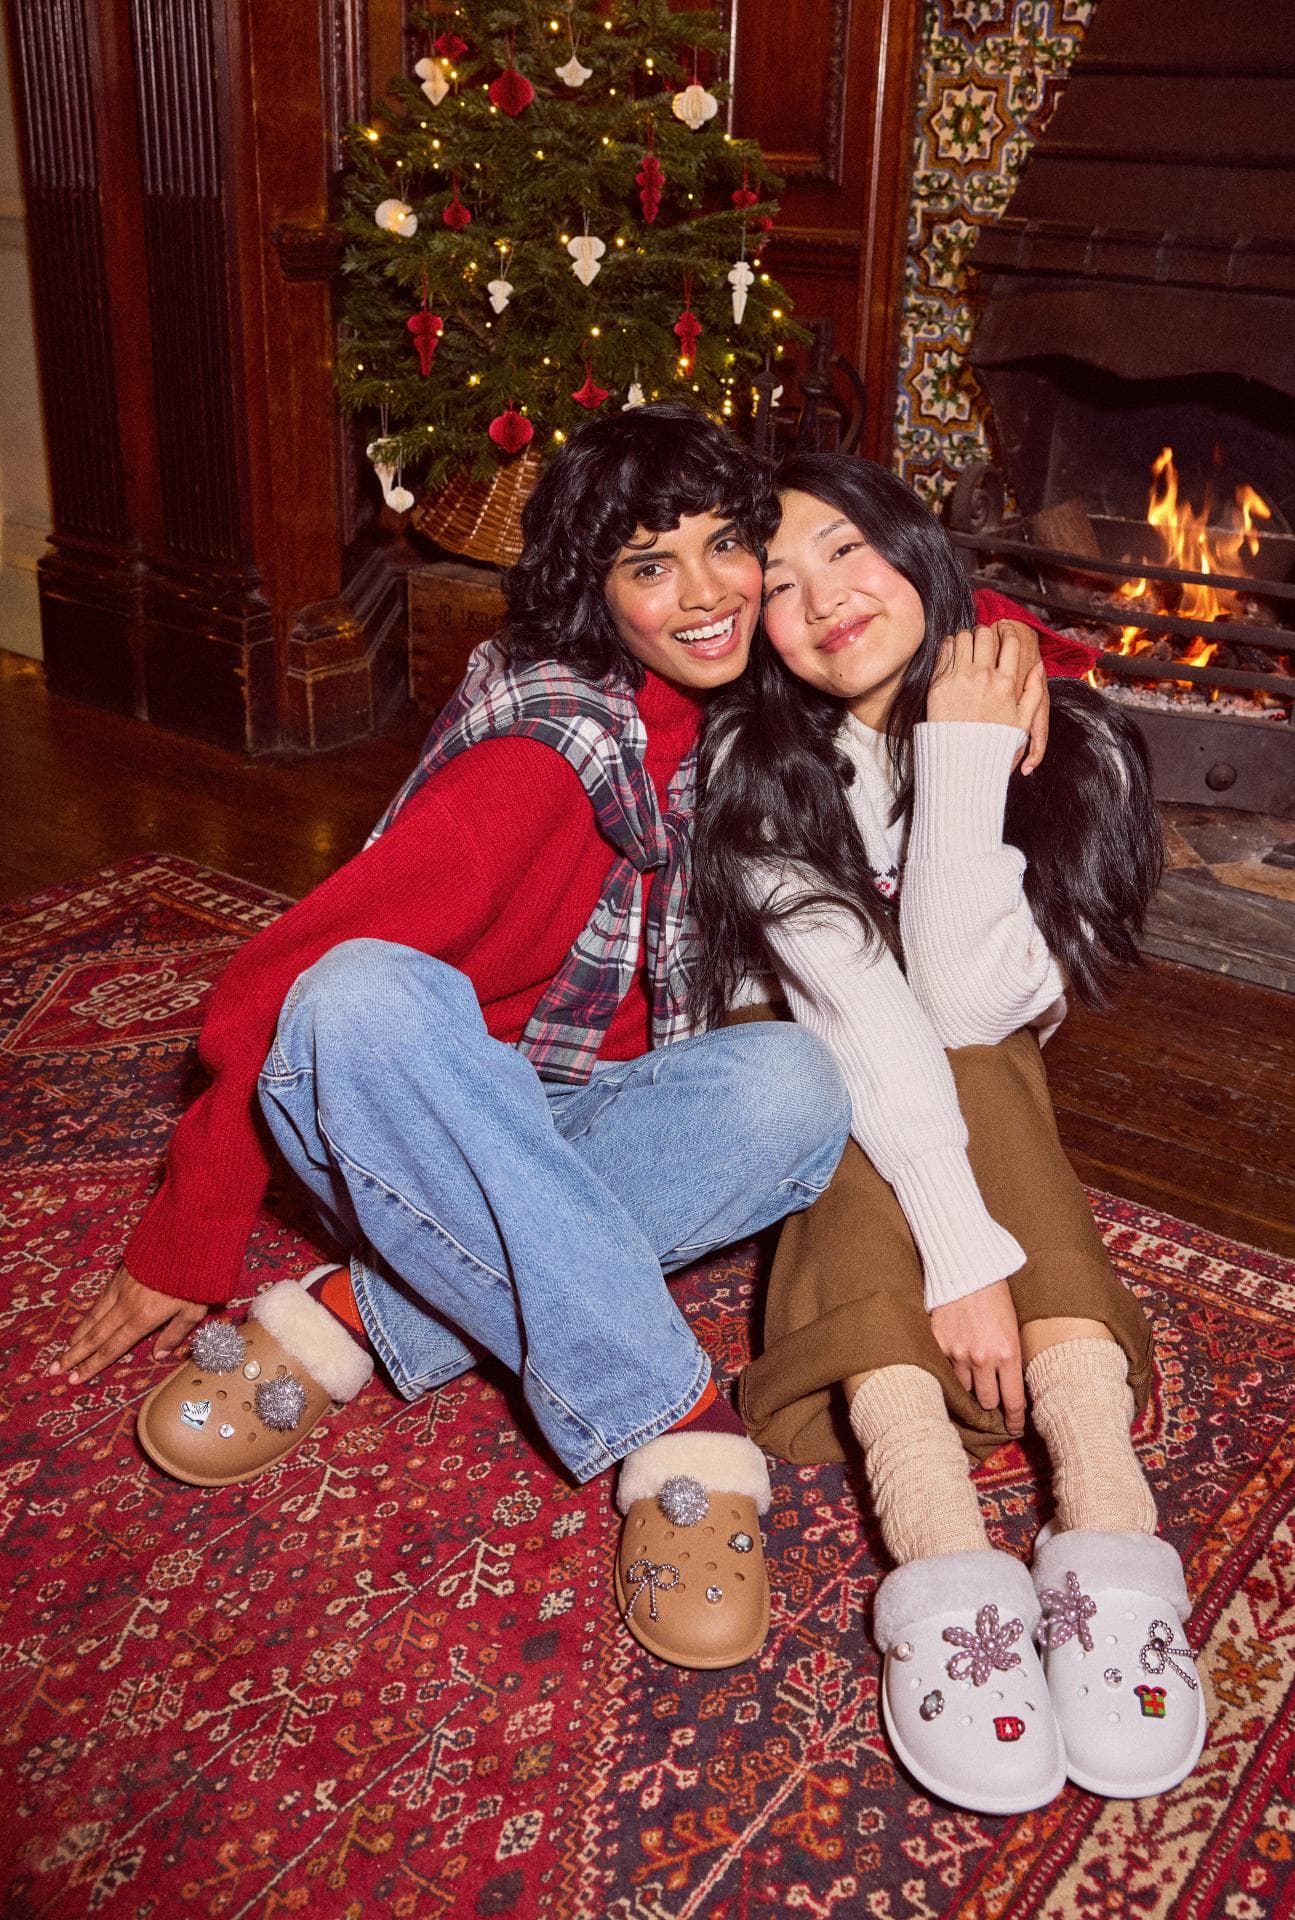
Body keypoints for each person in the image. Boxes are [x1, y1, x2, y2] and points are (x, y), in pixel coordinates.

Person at [47, 405, 861, 1671]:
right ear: (596, 592)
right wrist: (189, 1225)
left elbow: (904, 607)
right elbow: (277, 990)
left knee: (797, 1086)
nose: (707, 594)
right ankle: (676, 1419)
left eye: (724, 546)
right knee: (362, 990)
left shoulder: (746, 698)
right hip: (402, 1118)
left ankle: (352, 1315)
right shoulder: (540, 760)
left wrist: (1014, 664)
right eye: (652, 566)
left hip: (561, 1120)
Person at [692, 452, 1203, 1805]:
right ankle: (941, 1557)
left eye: (845, 549)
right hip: (789, 1069)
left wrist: (963, 753)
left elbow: (971, 1001)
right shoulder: (752, 762)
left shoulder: (1061, 743)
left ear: (913, 546)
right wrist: (964, 1252)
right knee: (842, 1054)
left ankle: (1105, 1516)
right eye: (779, 584)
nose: (823, 599)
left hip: (973, 1076)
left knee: (968, 1049)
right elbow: (853, 997)